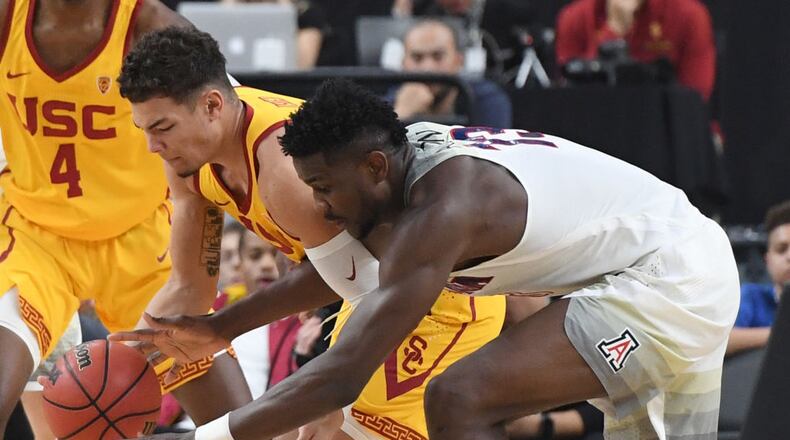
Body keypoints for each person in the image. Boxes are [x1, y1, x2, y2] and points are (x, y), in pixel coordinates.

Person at [131, 77, 739, 440]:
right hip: (642, 267)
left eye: (324, 188)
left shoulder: (443, 212)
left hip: (673, 277)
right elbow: (347, 272)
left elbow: (342, 372)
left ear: (372, 167)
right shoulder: (397, 170)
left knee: (459, 396)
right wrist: (220, 327)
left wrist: (210, 435)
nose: (320, 206)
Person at [113, 26, 506, 440]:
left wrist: (327, 392)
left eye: (162, 127)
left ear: (211, 105)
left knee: (336, 427)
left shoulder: (283, 168)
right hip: (368, 290)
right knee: (194, 361)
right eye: (144, 129)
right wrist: (124, 363)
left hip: (438, 294)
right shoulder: (186, 157)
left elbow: (363, 282)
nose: (152, 146)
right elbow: (189, 287)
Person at [0, 0, 251, 435]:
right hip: (34, 237)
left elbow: (227, 131)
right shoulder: (7, 19)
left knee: (239, 425)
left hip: (145, 237)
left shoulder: (151, 25)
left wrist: (204, 260)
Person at [555, 0, 716, 101]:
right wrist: (615, 29)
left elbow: (696, 96)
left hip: (666, 127)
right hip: (596, 122)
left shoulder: (688, 15)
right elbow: (570, 96)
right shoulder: (575, 17)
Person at [389, 19, 512, 128]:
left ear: (458, 61)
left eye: (438, 56)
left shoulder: (486, 100)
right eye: (417, 58)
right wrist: (400, 114)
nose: (427, 68)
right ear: (403, 63)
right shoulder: (387, 104)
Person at [726, 200, 790, 356]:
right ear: (768, 261)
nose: (789, 256)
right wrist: (780, 335)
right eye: (781, 249)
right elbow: (723, 341)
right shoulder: (752, 296)